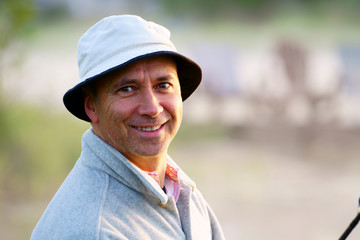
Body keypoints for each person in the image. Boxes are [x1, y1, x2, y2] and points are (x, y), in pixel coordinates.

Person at [31, 15, 225, 239]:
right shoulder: (97, 229)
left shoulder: (176, 187)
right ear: (92, 106)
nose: (152, 108)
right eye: (127, 89)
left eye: (163, 85)